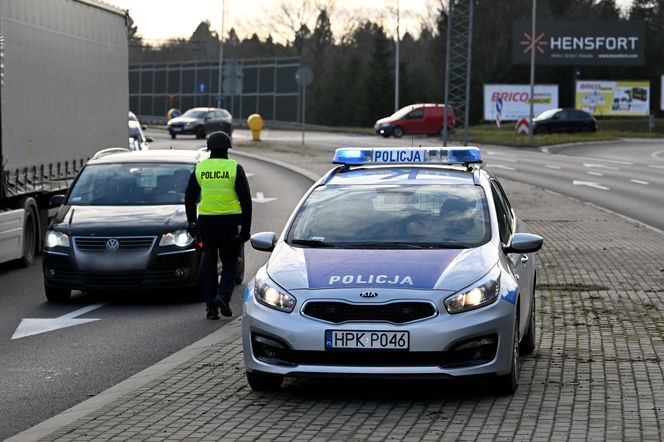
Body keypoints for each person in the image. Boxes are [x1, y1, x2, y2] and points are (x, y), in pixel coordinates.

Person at [185, 131, 252, 320]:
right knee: (230, 261)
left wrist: (192, 222)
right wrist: (246, 229)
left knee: (209, 263)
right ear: (228, 148)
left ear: (209, 148)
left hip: (206, 222)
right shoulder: (234, 168)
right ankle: (223, 296)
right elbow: (246, 201)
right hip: (230, 223)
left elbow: (189, 198)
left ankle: (211, 309)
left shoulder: (201, 168)